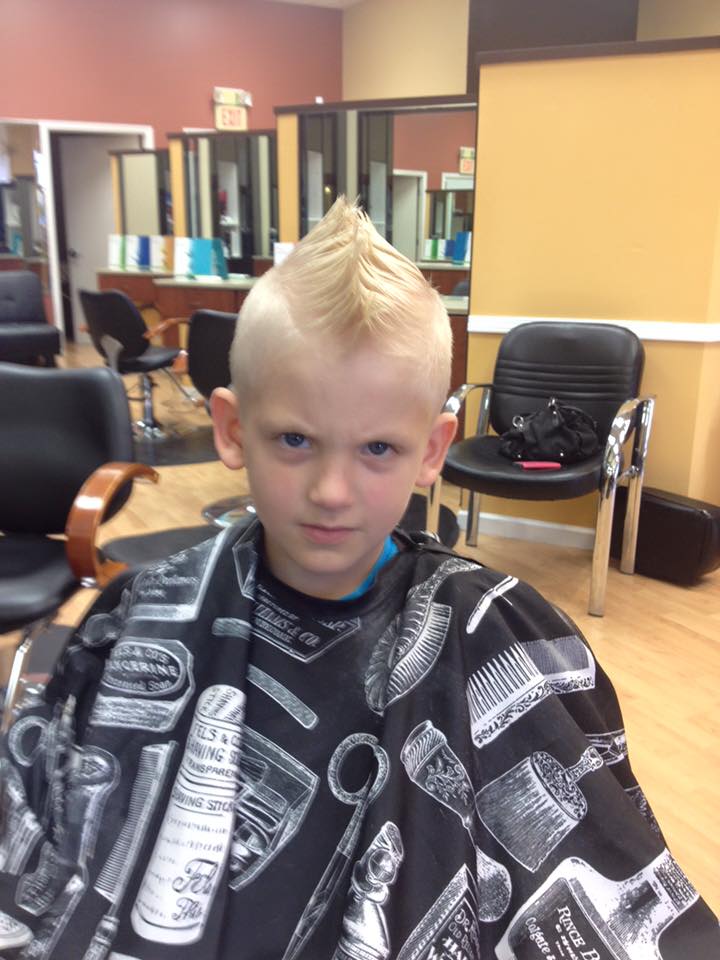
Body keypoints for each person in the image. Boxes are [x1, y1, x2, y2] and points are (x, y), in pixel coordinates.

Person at [0, 199, 717, 960]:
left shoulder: (503, 637)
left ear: (433, 449)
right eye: (295, 439)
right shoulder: (141, 618)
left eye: (378, 448)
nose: (332, 491)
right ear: (232, 429)